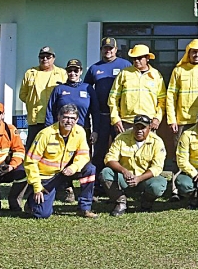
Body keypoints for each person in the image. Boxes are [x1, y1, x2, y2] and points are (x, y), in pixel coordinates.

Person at [23, 104, 97, 219]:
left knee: (90, 169)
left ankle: (84, 208)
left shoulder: (80, 131)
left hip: (67, 171)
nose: (69, 121)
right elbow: (30, 162)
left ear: (77, 119)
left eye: (72, 118)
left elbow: (84, 155)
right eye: (66, 117)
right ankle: (31, 202)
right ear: (59, 117)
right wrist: (37, 187)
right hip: (47, 176)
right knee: (42, 214)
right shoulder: (45, 134)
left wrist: (74, 167)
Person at [45, 58, 93, 203]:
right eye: (70, 70)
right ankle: (66, 188)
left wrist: (96, 131)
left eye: (76, 70)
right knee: (62, 160)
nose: (72, 73)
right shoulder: (59, 89)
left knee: (83, 162)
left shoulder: (88, 88)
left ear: (81, 72)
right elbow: (50, 111)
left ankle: (85, 193)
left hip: (82, 132)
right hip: (61, 132)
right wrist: (48, 131)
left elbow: (95, 111)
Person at [101, 114, 168, 216]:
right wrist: (124, 171)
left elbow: (157, 168)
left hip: (144, 180)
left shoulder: (157, 142)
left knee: (159, 184)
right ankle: (121, 202)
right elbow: (109, 159)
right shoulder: (121, 138)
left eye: (143, 128)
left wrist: (139, 178)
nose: (139, 130)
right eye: (137, 127)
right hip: (125, 178)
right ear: (133, 126)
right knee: (106, 173)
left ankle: (146, 202)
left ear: (149, 127)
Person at [84, 37, 132, 176]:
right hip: (102, 116)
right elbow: (87, 89)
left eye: (111, 48)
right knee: (100, 148)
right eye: (105, 48)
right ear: (101, 50)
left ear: (116, 50)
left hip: (121, 116)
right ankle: (97, 182)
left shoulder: (125, 65)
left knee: (122, 148)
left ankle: (122, 179)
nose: (108, 51)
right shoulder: (94, 68)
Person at [108, 44, 166, 133]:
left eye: (139, 58)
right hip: (126, 122)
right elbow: (113, 98)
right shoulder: (124, 73)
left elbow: (162, 100)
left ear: (147, 58)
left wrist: (157, 118)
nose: (136, 60)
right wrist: (115, 119)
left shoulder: (156, 75)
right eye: (134, 58)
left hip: (148, 122)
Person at [166, 39, 198, 136]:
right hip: (182, 122)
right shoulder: (178, 71)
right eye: (194, 52)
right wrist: (172, 120)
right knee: (180, 150)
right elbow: (171, 97)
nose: (196, 55)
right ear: (188, 53)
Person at [19, 46, 68, 145]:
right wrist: (32, 102)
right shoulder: (30, 73)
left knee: (54, 148)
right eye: (42, 57)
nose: (45, 59)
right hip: (36, 119)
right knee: (32, 149)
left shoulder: (62, 73)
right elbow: (23, 95)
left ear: (53, 58)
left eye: (48, 57)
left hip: (55, 118)